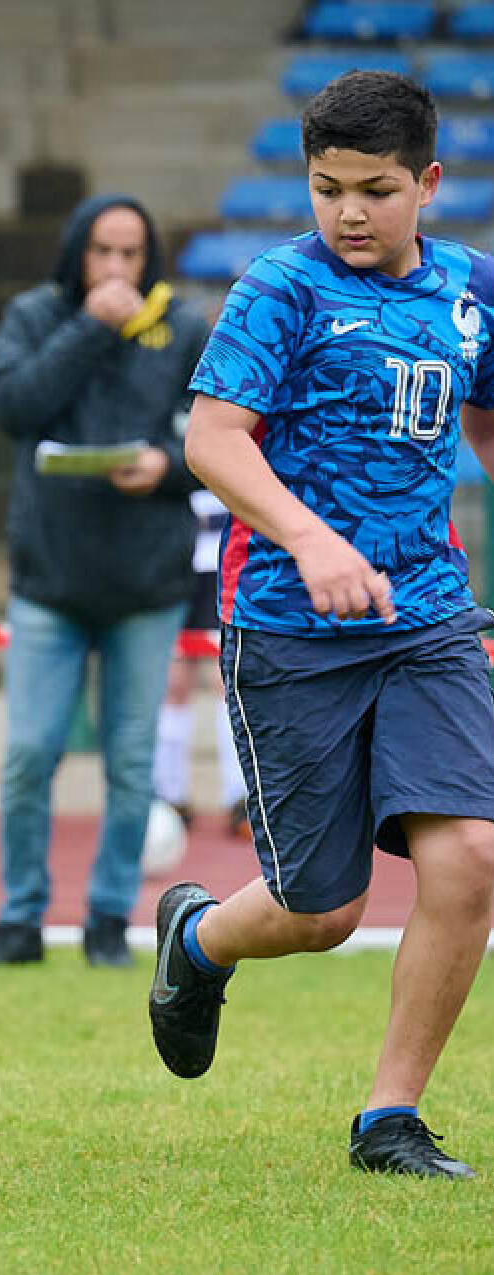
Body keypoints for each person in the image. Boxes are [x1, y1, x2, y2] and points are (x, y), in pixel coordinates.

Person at [148, 70, 494, 1180]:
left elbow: (487, 422)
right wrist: (312, 540)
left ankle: (390, 1118)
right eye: (326, 188)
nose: (349, 212)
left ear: (427, 184)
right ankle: (199, 940)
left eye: (375, 191)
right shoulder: (279, 288)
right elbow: (213, 439)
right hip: (289, 627)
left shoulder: (474, 290)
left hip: (429, 615)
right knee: (323, 909)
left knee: (472, 858)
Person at [0, 194, 211, 970]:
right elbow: (11, 404)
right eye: (102, 251)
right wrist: (91, 328)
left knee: (132, 764)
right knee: (30, 755)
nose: (116, 268)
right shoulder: (36, 315)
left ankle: (108, 920)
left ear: (149, 258)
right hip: (50, 580)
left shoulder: (184, 327)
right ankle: (19, 919)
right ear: (77, 253)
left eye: (131, 254)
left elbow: (217, 436)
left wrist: (165, 466)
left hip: (146, 585)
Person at [151, 488, 249, 836]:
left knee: (229, 680)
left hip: (228, 560)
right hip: (174, 563)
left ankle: (242, 800)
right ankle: (169, 797)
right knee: (174, 683)